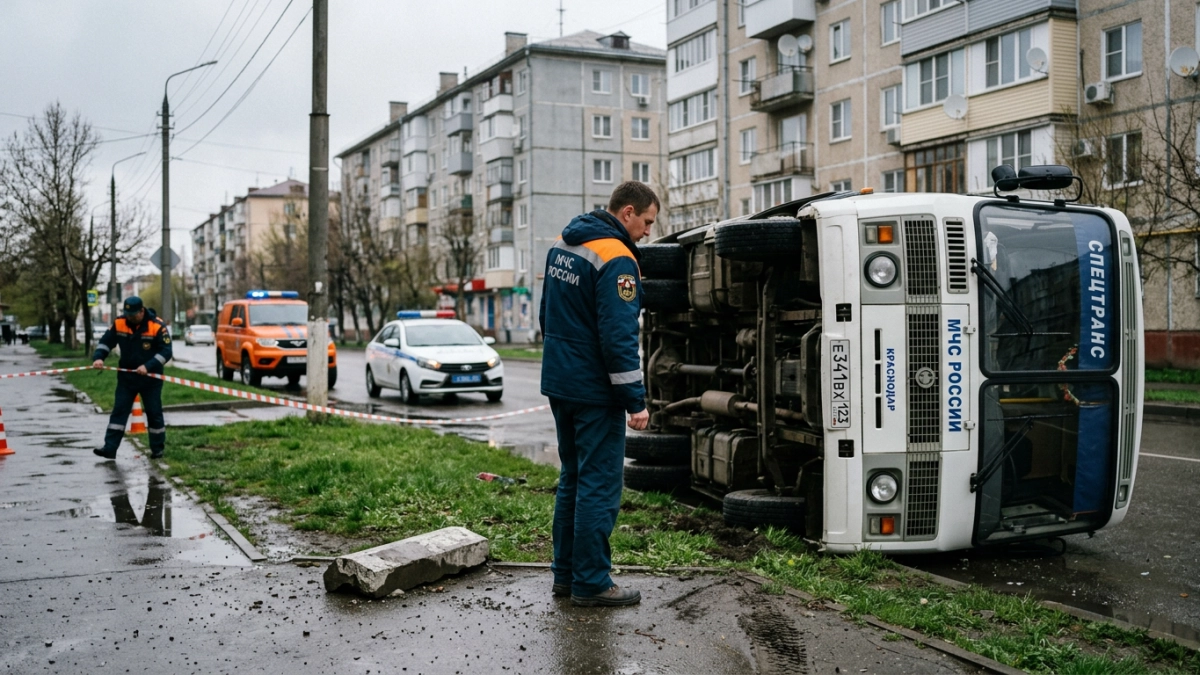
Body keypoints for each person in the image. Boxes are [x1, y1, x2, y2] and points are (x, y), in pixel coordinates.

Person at [539, 181, 658, 607]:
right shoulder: (617, 257)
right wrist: (635, 400)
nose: (647, 232)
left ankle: (566, 576)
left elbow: (546, 313)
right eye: (646, 222)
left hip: (561, 381)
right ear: (627, 212)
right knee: (599, 484)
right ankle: (591, 582)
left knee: (572, 477)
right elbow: (619, 335)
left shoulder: (562, 244)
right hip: (595, 390)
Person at [91, 296, 172, 460]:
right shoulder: (120, 323)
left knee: (153, 412)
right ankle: (110, 448)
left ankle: (157, 449)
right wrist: (99, 357)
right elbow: (106, 341)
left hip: (150, 379)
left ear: (142, 311)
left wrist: (147, 366)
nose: (130, 318)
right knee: (119, 411)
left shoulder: (156, 326)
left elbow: (166, 351)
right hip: (127, 377)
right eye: (128, 314)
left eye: (133, 315)